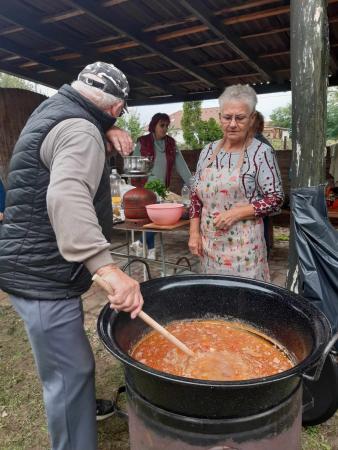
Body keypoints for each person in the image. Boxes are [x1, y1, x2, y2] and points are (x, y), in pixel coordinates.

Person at [0, 61, 143, 450]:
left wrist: (105, 126)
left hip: (34, 266)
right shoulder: (81, 129)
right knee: (70, 374)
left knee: (70, 367)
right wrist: (109, 270)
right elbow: (66, 197)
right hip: (41, 275)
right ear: (116, 107)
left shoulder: (54, 110)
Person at [188, 84, 284, 281]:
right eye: (227, 117)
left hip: (245, 248)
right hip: (209, 245)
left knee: (244, 301)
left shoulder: (261, 152)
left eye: (239, 118)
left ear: (252, 119)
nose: (232, 124)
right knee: (215, 295)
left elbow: (276, 198)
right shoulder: (207, 151)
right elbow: (195, 195)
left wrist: (237, 213)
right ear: (220, 116)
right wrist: (193, 233)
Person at [131, 112, 191, 259]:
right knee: (153, 220)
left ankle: (141, 244)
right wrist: (134, 191)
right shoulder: (142, 142)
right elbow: (134, 167)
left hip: (162, 189)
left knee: (157, 220)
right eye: (161, 125)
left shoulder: (171, 144)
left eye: (166, 126)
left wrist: (194, 184)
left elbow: (181, 166)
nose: (165, 128)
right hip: (145, 189)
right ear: (154, 125)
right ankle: (148, 248)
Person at [253, 111, 275, 258]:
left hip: (259, 195)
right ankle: (264, 251)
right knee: (263, 224)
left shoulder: (260, 144)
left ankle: (263, 253)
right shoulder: (259, 142)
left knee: (260, 226)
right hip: (261, 195)